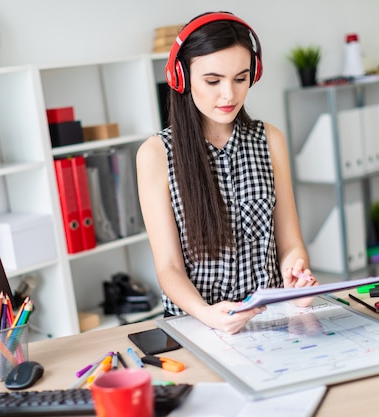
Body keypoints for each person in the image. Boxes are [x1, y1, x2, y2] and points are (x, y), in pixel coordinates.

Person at [136, 11, 319, 334]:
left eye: (240, 78)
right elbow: (169, 268)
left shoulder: (270, 140)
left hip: (271, 318)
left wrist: (295, 270)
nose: (229, 95)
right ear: (182, 77)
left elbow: (291, 243)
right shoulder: (156, 154)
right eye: (212, 80)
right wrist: (207, 314)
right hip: (197, 323)